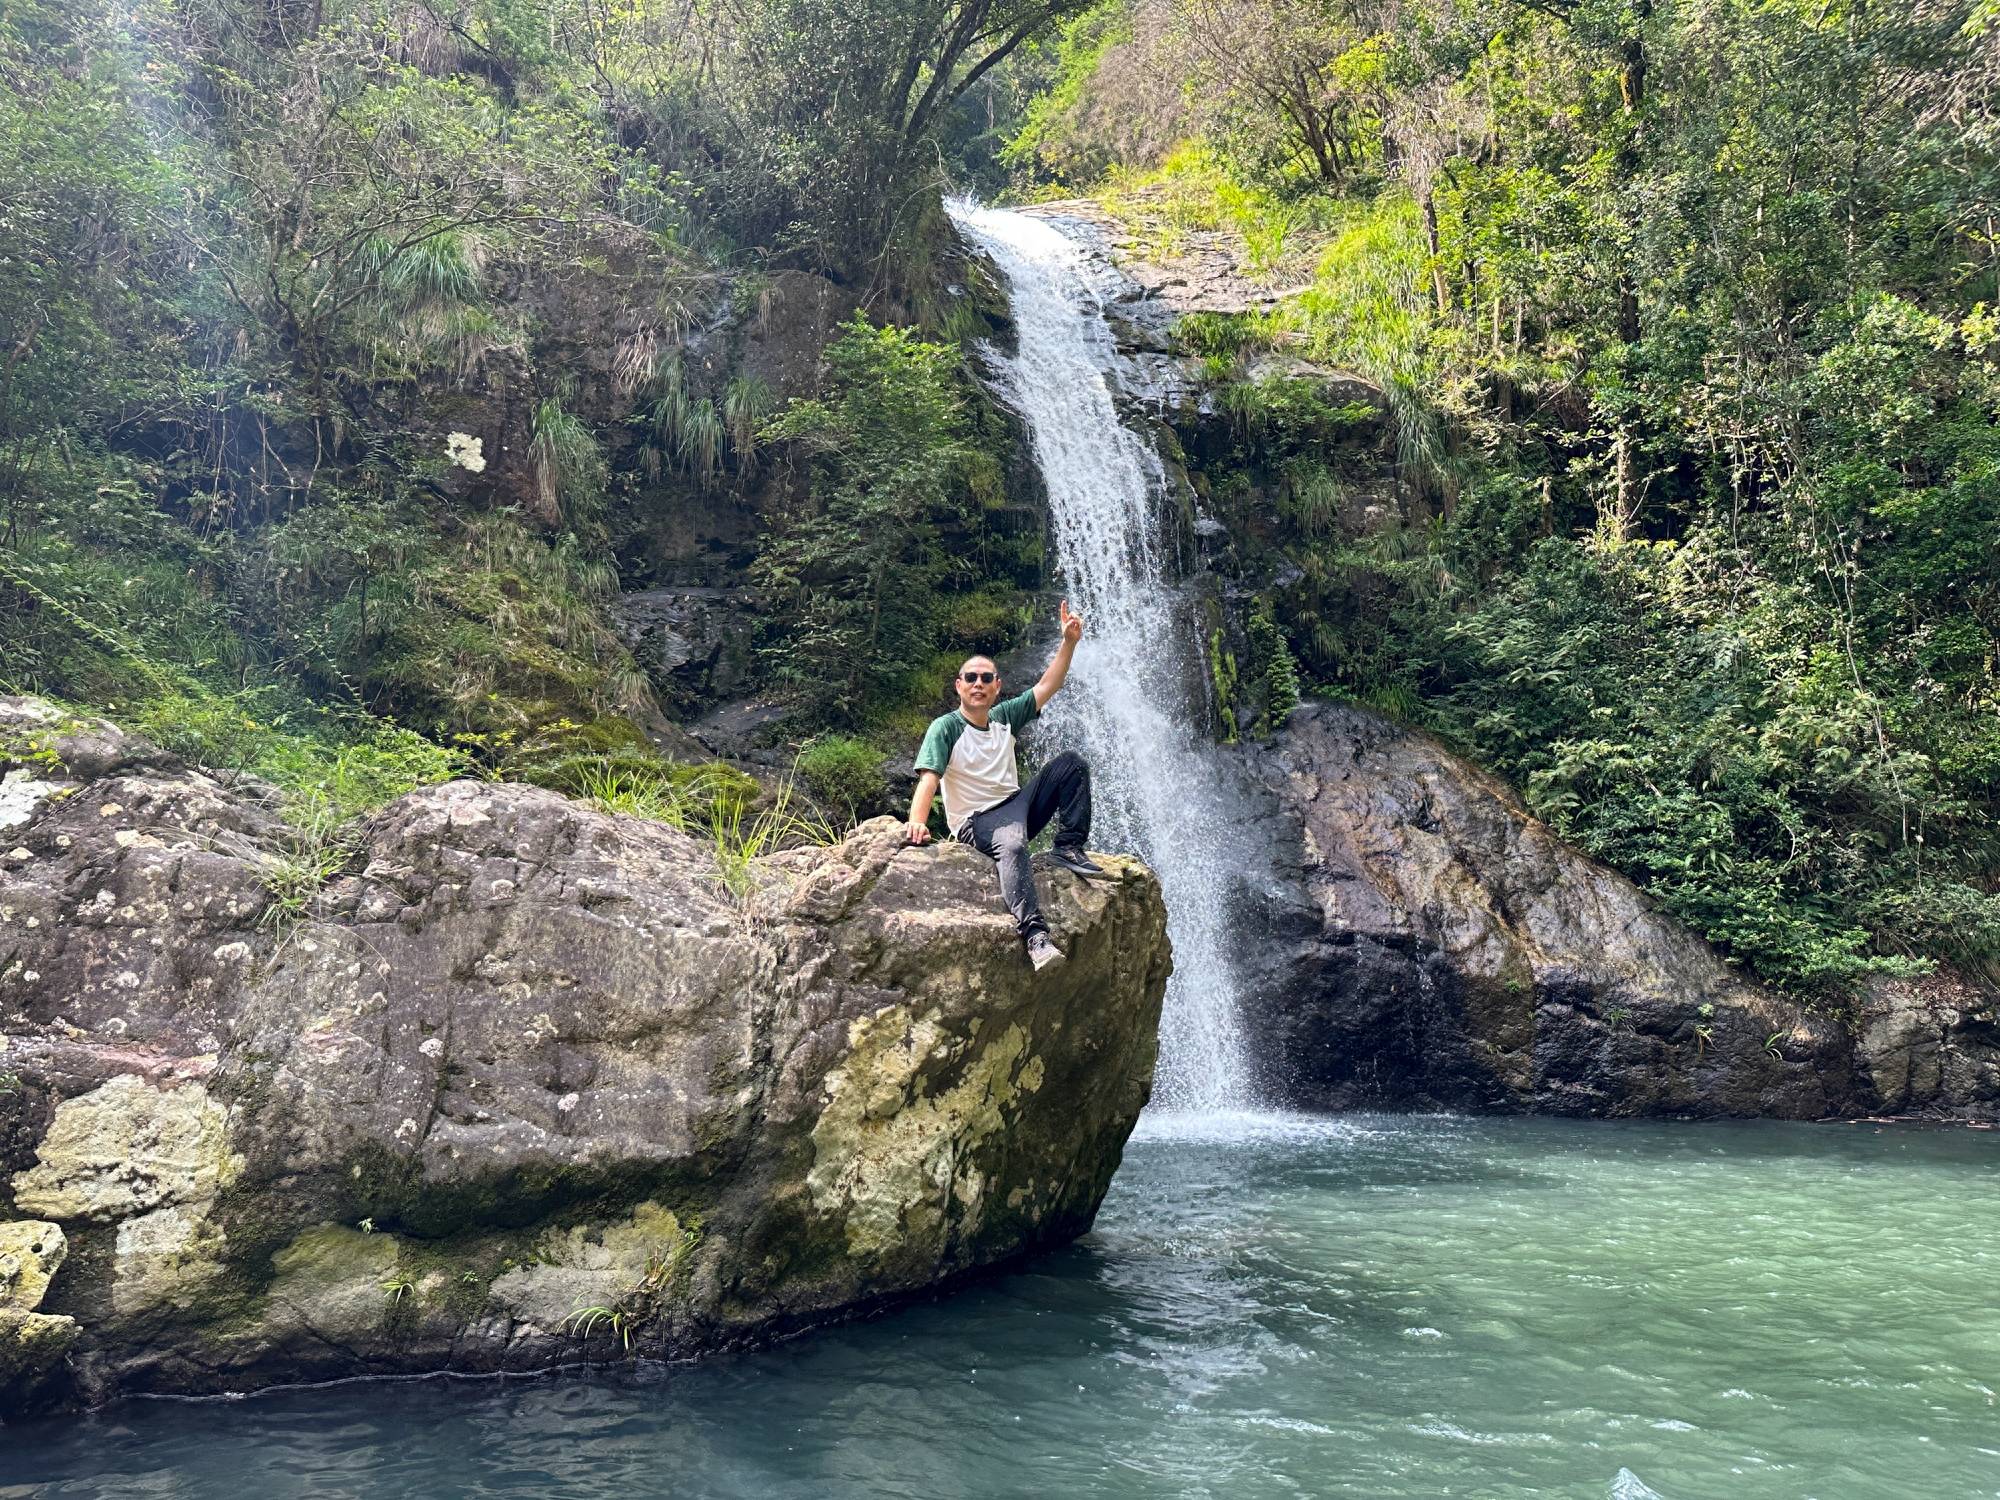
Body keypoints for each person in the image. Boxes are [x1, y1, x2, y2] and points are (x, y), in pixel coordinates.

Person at [906, 600, 1104, 972]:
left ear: (997, 687)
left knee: (1071, 765)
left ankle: (1068, 847)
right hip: (975, 821)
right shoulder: (945, 727)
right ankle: (1035, 936)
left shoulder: (1004, 717)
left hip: (1016, 806)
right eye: (971, 678)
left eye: (985, 679)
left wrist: (1069, 643)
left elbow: (1050, 684)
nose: (978, 684)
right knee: (1012, 843)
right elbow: (929, 778)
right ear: (959, 686)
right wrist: (917, 821)